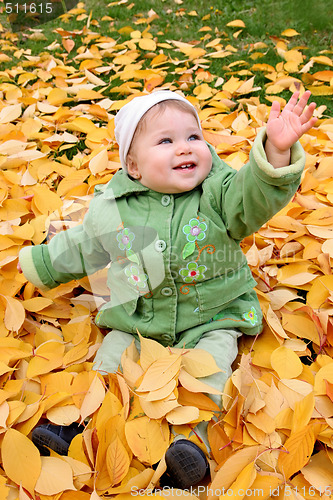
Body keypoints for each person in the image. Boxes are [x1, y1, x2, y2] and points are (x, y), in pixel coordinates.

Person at [19, 89, 316, 489]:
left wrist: (276, 153)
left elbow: (254, 196)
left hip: (211, 315)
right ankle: (77, 425)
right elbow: (81, 247)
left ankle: (190, 443)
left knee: (210, 369)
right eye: (165, 141)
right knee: (109, 362)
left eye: (193, 137)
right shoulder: (112, 207)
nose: (185, 148)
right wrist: (36, 266)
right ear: (133, 165)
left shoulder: (219, 193)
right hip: (137, 317)